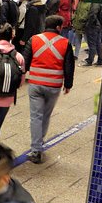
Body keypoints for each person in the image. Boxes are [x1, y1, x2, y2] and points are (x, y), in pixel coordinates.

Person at [21, 15, 74, 164]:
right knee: (45, 115)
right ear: (58, 27)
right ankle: (40, 141)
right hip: (54, 85)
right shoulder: (65, 43)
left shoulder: (34, 39)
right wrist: (68, 84)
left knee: (36, 116)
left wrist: (20, 79)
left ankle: (36, 149)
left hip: (36, 83)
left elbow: (25, 61)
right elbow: (69, 65)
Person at [81, 1, 102, 67]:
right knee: (98, 43)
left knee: (92, 44)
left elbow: (92, 14)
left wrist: (89, 24)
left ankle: (90, 60)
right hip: (100, 25)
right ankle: (100, 60)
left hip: (94, 26)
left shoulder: (96, 2)